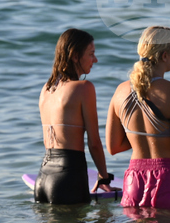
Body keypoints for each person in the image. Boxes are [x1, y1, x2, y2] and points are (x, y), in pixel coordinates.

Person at [106, 26, 170, 210]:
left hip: (135, 178)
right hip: (169, 177)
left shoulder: (119, 91)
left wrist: (142, 135)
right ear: (164, 56)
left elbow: (113, 146)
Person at [35, 29, 116, 204]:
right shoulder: (83, 88)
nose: (95, 60)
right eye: (91, 54)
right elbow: (94, 142)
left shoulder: (46, 89)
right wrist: (104, 177)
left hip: (42, 177)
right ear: (74, 56)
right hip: (68, 178)